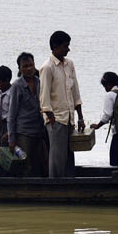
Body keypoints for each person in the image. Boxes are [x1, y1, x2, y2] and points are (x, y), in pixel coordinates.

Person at [40, 31, 84, 178]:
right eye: (66, 46)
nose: (68, 49)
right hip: (56, 119)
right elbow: (44, 97)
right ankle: (55, 186)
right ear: (55, 47)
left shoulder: (69, 64)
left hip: (69, 118)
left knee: (69, 155)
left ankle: (69, 183)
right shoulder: (47, 67)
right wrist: (51, 118)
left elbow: (75, 92)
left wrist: (80, 117)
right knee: (57, 157)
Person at [7, 52, 48, 177]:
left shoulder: (40, 82)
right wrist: (11, 139)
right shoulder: (16, 86)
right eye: (25, 66)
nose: (29, 69)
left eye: (31, 65)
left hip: (40, 130)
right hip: (24, 133)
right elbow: (11, 115)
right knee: (26, 165)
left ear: (34, 65)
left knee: (41, 164)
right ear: (20, 69)